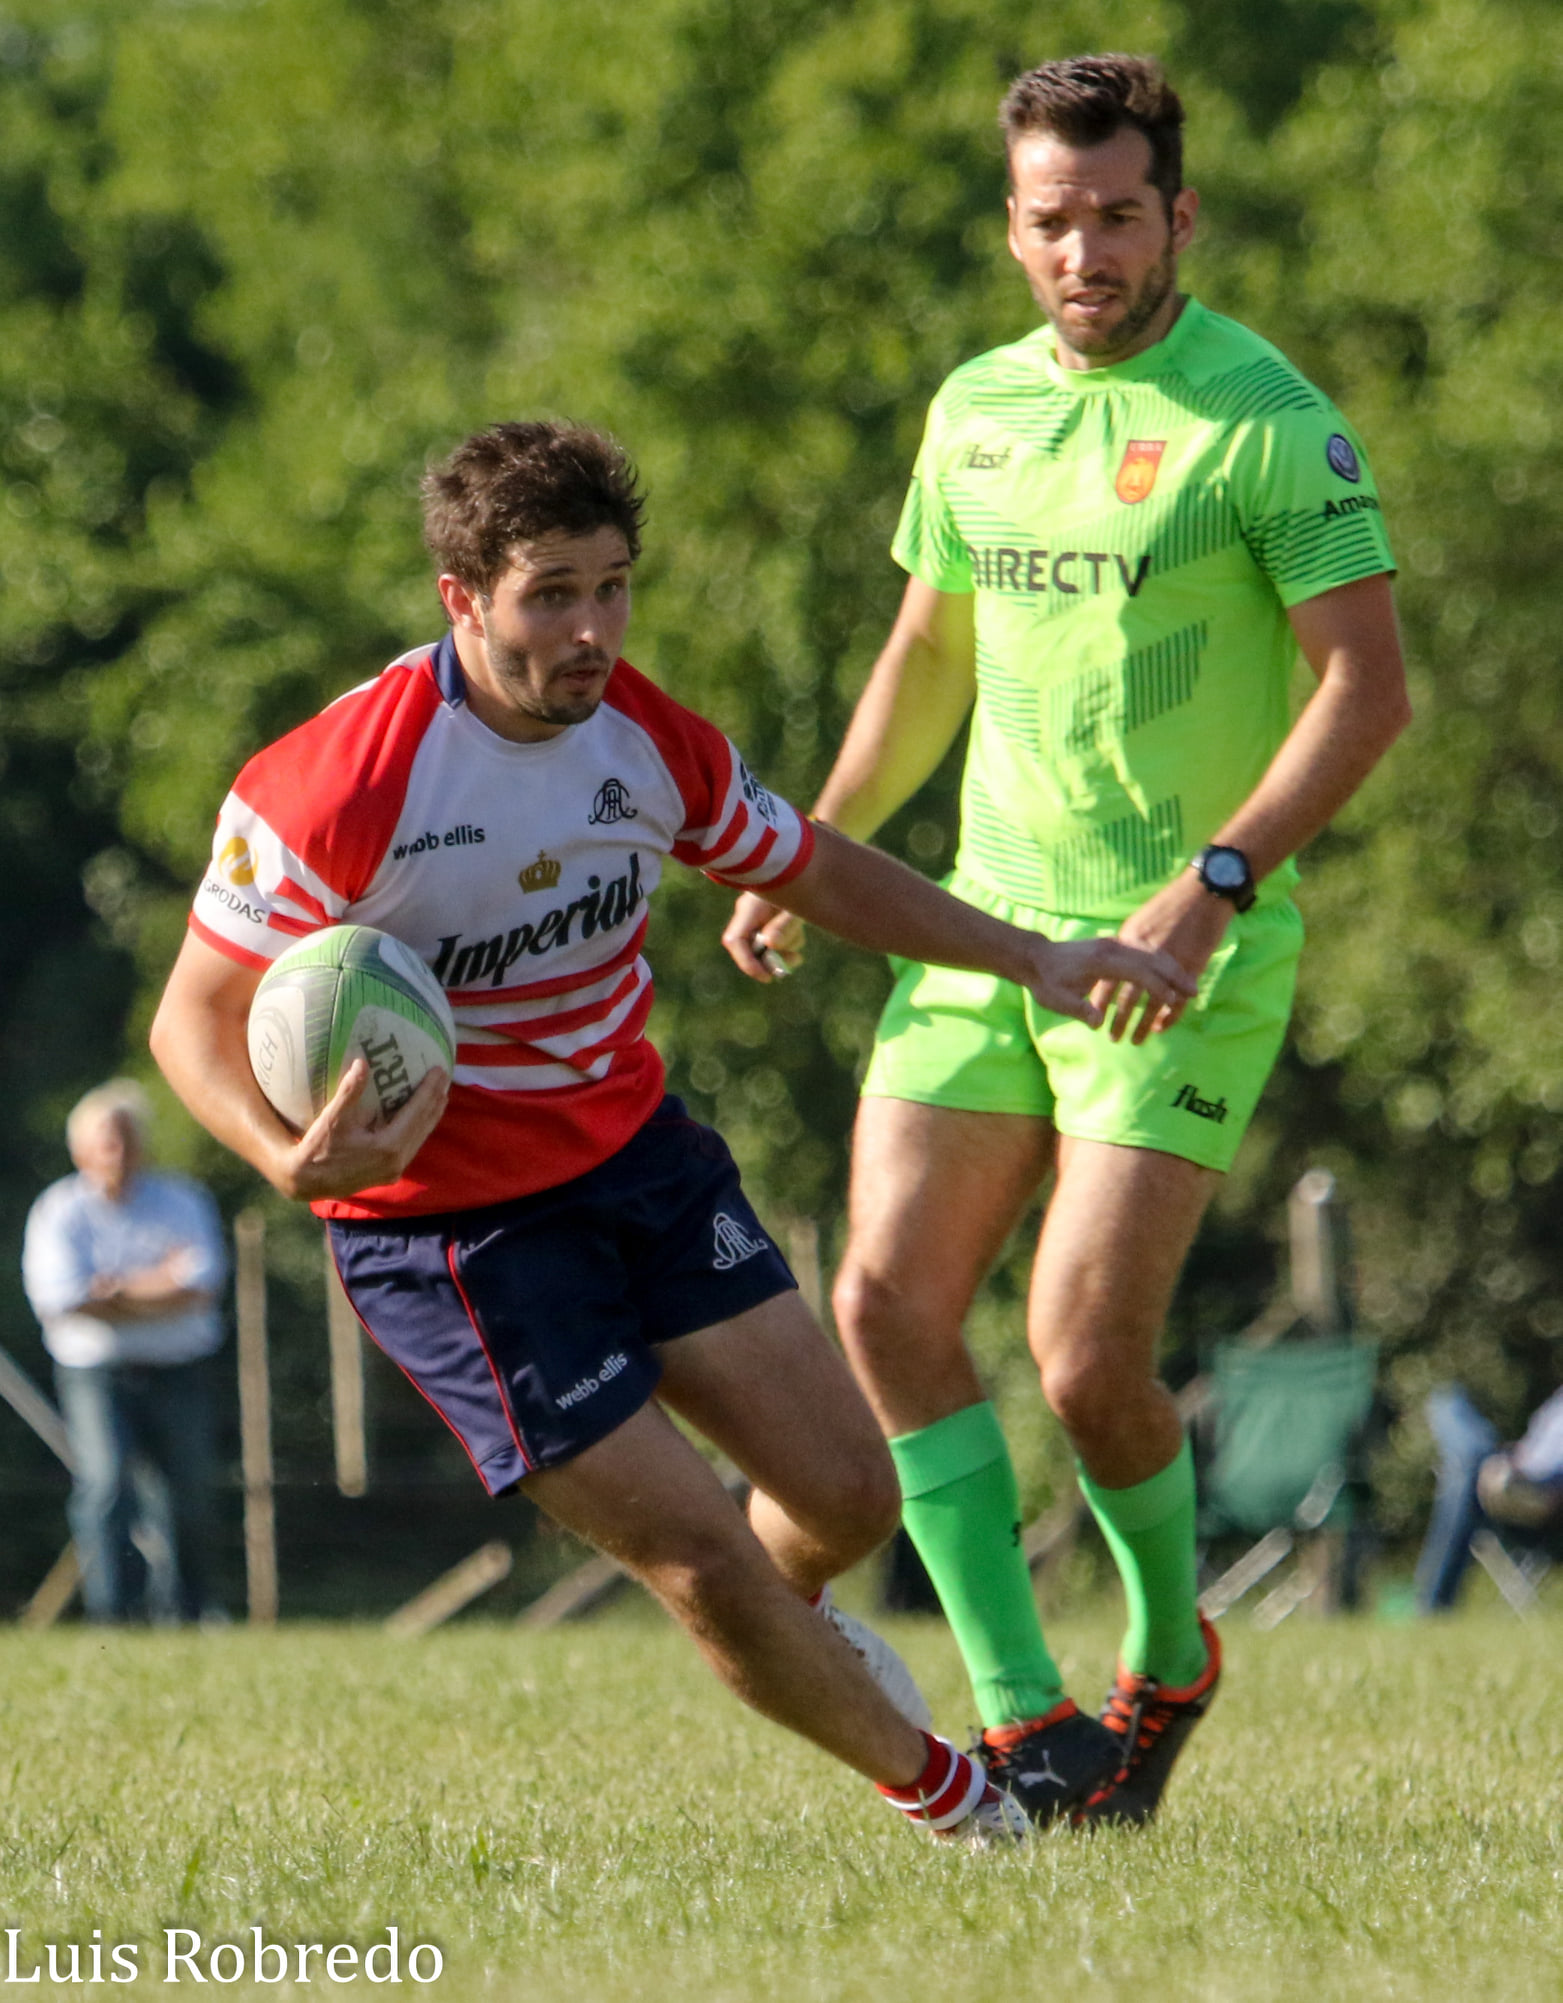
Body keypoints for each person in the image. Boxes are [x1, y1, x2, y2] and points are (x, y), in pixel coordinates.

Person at [148, 419, 1193, 1844]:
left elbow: (810, 863)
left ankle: (781, 1639)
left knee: (843, 1492)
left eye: (613, 586)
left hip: (637, 1159)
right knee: (696, 1557)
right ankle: (965, 1803)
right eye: (551, 595)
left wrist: (1033, 957)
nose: (592, 629)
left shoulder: (645, 738)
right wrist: (284, 1158)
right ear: (462, 598)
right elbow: (190, 1021)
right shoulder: (336, 786)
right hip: (454, 1236)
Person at [725, 54, 1410, 1826]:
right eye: (1052, 221)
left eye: (1117, 216)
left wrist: (1218, 877)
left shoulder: (1260, 417)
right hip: (977, 936)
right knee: (879, 1299)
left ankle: (1167, 1651)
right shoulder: (970, 411)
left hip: (1174, 953)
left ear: (1176, 213)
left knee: (1083, 1357)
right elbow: (925, 655)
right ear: (1012, 228)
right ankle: (1025, 1718)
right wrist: (814, 842)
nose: (1084, 250)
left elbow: (1365, 684)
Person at [22, 1079, 227, 1624]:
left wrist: (112, 1291)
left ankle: (188, 1612)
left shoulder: (183, 1199)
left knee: (188, 1492)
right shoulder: (58, 1211)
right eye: (107, 1140)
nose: (119, 1151)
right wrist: (160, 1285)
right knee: (107, 1487)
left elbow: (202, 1284)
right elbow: (61, 1299)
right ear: (81, 1148)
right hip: (96, 1374)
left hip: (179, 1369)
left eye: (128, 1138)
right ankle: (114, 1615)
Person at [1415, 1385, 1563, 1612]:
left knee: (1466, 1466)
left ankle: (1432, 1605)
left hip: (1535, 1494)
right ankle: (1432, 1605)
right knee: (1447, 1401)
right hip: (1513, 1471)